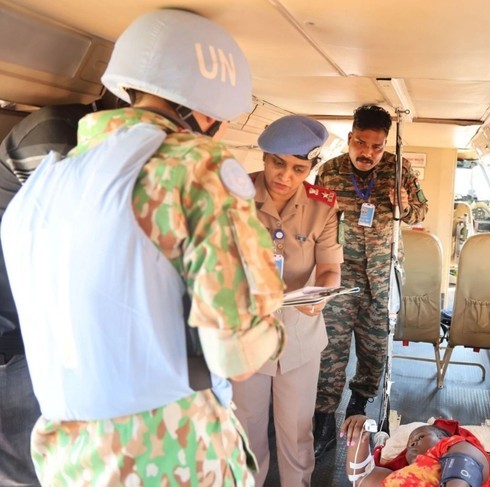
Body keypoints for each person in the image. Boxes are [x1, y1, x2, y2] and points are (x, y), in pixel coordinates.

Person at [1, 9, 284, 485]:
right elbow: (238, 357)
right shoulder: (197, 165)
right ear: (210, 112)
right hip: (174, 453)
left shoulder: (42, 185)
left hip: (66, 458)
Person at [0, 93, 124, 486]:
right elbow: (76, 247)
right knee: (24, 461)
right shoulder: (56, 136)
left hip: (34, 324)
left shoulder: (101, 144)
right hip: (10, 331)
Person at [232, 115, 343, 486]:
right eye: (278, 163)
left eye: (299, 168)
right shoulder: (235, 195)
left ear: (310, 168)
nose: (286, 176)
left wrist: (323, 294)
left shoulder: (323, 205)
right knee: (247, 430)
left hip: (299, 335)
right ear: (264, 157)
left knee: (297, 431)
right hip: (247, 333)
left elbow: (329, 267)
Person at [313, 104, 428, 457]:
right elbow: (314, 219)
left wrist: (405, 205)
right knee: (330, 351)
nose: (368, 153)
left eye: (376, 147)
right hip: (340, 275)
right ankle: (323, 421)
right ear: (350, 138)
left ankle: (358, 408)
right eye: (361, 143)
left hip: (380, 278)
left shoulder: (399, 169)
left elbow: (420, 211)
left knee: (374, 352)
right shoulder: (329, 173)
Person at [341, 415, 490, 486]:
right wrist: (359, 436)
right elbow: (360, 476)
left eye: (420, 436)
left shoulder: (458, 446)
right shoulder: (398, 475)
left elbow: (466, 463)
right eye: (409, 443)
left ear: (442, 439)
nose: (413, 443)